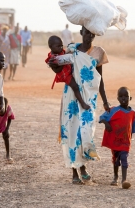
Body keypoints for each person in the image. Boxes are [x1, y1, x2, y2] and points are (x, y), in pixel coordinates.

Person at [49, 26, 110, 185]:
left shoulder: (98, 53)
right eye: (86, 32)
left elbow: (100, 79)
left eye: (91, 33)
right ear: (81, 33)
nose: (88, 35)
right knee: (71, 131)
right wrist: (52, 63)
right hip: (71, 96)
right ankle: (76, 171)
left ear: (94, 35)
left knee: (86, 132)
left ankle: (82, 166)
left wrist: (105, 100)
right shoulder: (71, 50)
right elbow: (57, 68)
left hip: (89, 98)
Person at [99, 87, 135, 189]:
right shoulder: (113, 110)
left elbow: (132, 129)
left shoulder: (133, 113)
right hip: (115, 141)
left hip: (125, 142)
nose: (123, 98)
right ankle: (115, 176)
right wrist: (106, 123)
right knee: (116, 160)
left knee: (124, 158)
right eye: (121, 96)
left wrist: (129, 141)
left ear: (130, 98)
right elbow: (101, 118)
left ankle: (124, 180)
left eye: (126, 96)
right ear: (117, 98)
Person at [45, 35, 90, 110]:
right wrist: (60, 63)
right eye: (58, 46)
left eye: (61, 46)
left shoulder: (60, 51)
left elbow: (66, 52)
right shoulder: (52, 58)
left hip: (68, 69)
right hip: (64, 75)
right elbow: (57, 71)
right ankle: (82, 103)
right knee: (75, 87)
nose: (61, 48)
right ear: (51, 47)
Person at [0, 97, 15, 164]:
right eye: (0, 109)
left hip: (2, 124)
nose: (1, 111)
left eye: (3, 110)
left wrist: (7, 129)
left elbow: (10, 117)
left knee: (6, 136)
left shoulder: (8, 109)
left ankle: (8, 154)